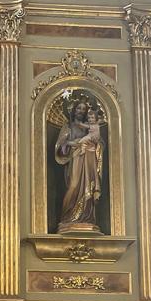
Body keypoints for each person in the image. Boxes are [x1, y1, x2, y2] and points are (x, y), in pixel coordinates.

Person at [53, 98, 104, 234]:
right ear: (73, 110)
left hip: (88, 160)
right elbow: (60, 145)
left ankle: (86, 218)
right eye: (78, 108)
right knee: (74, 186)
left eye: (83, 109)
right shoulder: (68, 126)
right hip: (74, 159)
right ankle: (67, 217)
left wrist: (94, 146)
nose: (81, 111)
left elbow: (99, 142)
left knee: (88, 186)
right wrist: (73, 143)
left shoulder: (89, 127)